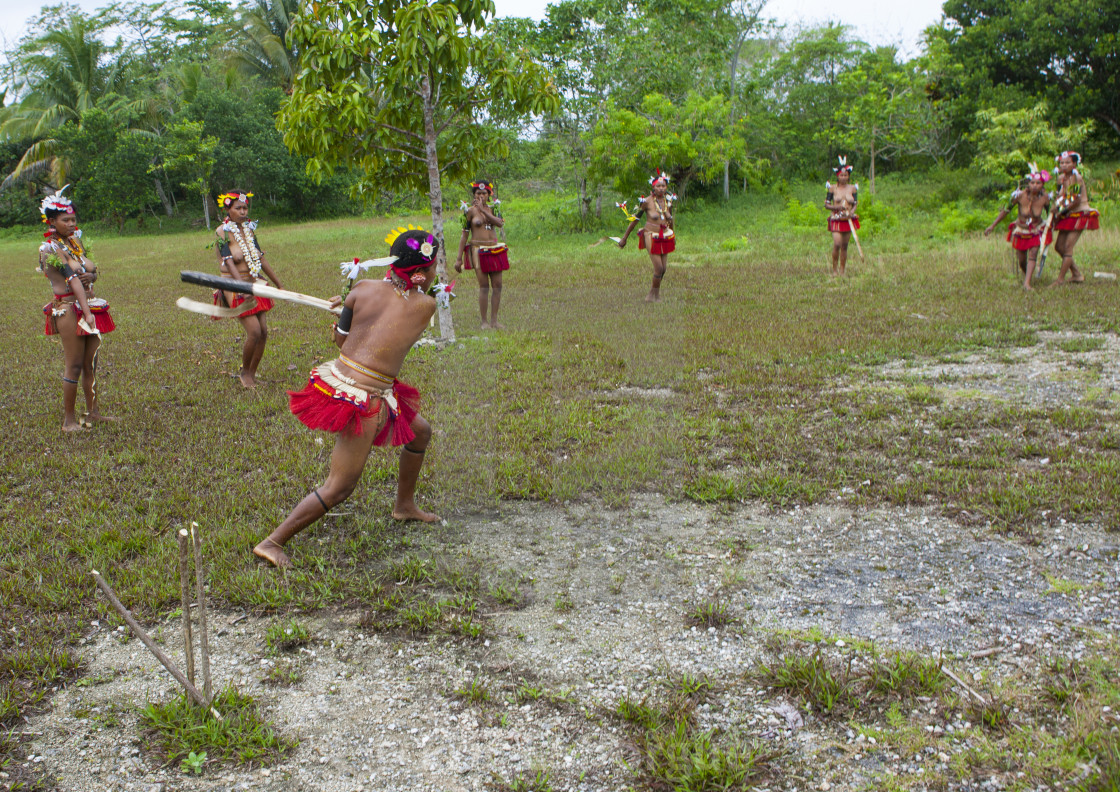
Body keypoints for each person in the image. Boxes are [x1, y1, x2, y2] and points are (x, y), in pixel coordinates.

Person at [253, 228, 443, 569]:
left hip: (346, 379)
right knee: (339, 487)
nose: (435, 275)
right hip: (364, 396)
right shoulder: (425, 305)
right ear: (419, 273)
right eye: (433, 269)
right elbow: (406, 310)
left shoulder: (361, 288)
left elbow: (342, 342)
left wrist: (349, 312)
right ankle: (272, 541)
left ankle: (404, 505)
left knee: (421, 432)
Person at [38, 187, 116, 431]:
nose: (72, 224)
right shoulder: (49, 249)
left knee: (91, 363)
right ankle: (69, 421)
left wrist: (91, 276)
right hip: (70, 309)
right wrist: (88, 312)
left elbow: (90, 273)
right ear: (52, 221)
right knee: (73, 365)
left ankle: (92, 412)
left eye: (73, 219)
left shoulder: (75, 243)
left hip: (87, 305)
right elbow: (71, 280)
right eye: (66, 220)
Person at [211, 191, 284, 388]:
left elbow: (260, 259)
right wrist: (241, 287)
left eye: (245, 208)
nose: (243, 212)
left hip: (254, 282)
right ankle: (245, 373)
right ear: (228, 209)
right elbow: (229, 264)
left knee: (264, 332)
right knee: (254, 332)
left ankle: (252, 373)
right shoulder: (222, 232)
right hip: (233, 285)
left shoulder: (250, 230)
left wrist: (279, 284)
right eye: (238, 208)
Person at [983, 164, 1052, 291]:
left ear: (1042, 185)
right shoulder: (1019, 196)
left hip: (1036, 230)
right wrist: (992, 225)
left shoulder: (1046, 199)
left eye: (1038, 183)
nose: (1035, 185)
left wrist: (1053, 224)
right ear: (1028, 184)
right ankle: (1028, 276)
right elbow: (1006, 210)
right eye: (1032, 183)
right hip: (1021, 230)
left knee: (1033, 254)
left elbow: (1051, 215)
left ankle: (1027, 283)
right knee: (1021, 260)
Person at [455, 180, 508, 329]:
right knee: (484, 285)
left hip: (494, 250)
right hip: (478, 250)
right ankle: (484, 321)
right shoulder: (469, 211)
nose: (481, 196)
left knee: (497, 285)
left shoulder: (494, 208)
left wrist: (484, 211)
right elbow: (464, 236)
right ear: (474, 195)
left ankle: (494, 321)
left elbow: (499, 223)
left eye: (484, 193)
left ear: (489, 195)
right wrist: (458, 259)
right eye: (478, 193)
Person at [617, 169, 676, 301]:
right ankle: (652, 295)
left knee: (664, 269)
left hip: (665, 236)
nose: (661, 189)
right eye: (658, 186)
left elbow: (670, 220)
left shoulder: (668, 202)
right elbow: (635, 220)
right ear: (653, 187)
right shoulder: (647, 202)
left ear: (666, 187)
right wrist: (624, 238)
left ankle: (654, 294)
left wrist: (673, 235)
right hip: (651, 235)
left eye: (663, 186)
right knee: (659, 267)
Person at [1052, 151, 1100, 285]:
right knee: (1059, 246)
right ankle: (1076, 274)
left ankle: (1060, 279)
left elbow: (1075, 200)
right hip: (1067, 214)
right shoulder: (1061, 178)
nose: (1064, 165)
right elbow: (1060, 197)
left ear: (1074, 164)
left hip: (1079, 213)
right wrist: (1056, 209)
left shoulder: (1076, 177)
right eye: (1062, 162)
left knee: (1067, 246)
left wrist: (1060, 211)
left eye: (1068, 162)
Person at [824, 157, 859, 276]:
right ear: (837, 176)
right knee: (837, 244)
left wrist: (851, 212)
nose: (843, 177)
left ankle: (842, 271)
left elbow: (855, 203)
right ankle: (834, 270)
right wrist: (837, 208)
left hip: (847, 219)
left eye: (845, 175)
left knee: (844, 246)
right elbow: (826, 205)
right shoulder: (832, 188)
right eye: (841, 175)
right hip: (836, 219)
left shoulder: (853, 188)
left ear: (848, 176)